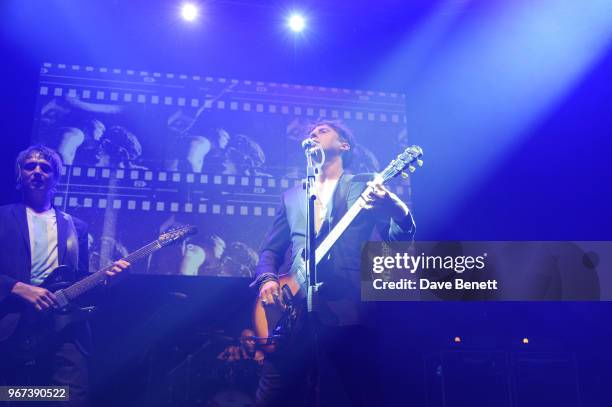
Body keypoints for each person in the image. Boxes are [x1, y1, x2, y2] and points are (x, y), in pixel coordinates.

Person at [252, 120, 416, 406]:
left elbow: (397, 242)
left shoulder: (364, 185)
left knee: (357, 395)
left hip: (346, 312)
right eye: (310, 133)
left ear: (344, 145)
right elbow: (270, 251)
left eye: (322, 131)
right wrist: (268, 279)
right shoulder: (292, 197)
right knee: (272, 398)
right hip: (294, 316)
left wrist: (399, 211)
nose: (313, 134)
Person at [0, 145, 129, 406]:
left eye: (45, 168)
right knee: (12, 395)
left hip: (64, 326)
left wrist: (106, 280)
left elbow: (78, 282)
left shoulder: (74, 226)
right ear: (19, 175)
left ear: (55, 178)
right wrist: (17, 287)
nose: (37, 171)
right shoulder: (3, 216)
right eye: (30, 166)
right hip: (11, 323)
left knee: (69, 396)